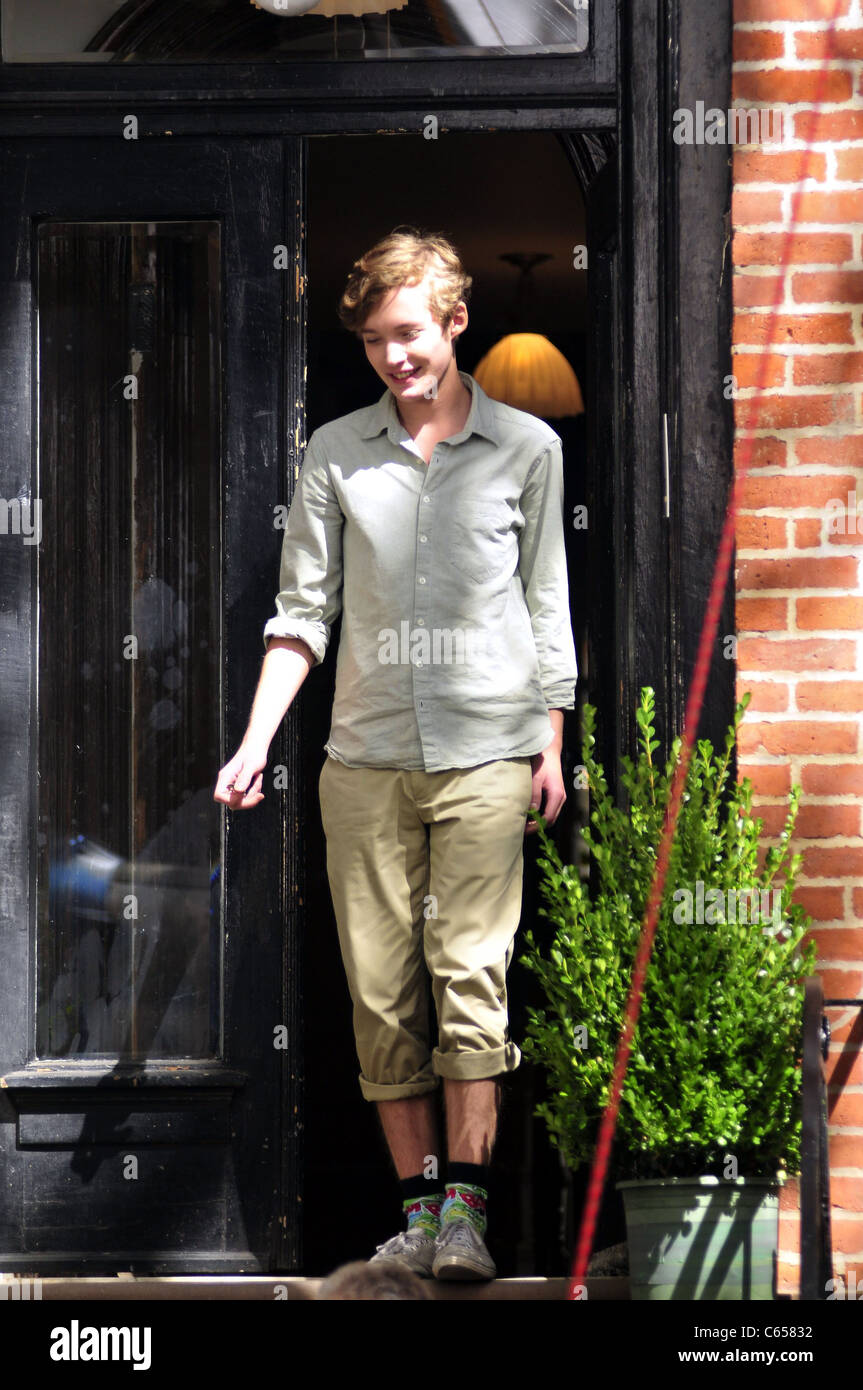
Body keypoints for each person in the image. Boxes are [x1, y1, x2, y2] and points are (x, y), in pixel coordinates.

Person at [214, 227, 577, 1281]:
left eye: (409, 333)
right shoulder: (334, 452)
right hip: (363, 761)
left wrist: (550, 740)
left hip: (486, 754)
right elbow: (301, 614)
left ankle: (464, 1217)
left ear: (456, 320)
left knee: (469, 975)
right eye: (375, 340)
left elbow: (545, 602)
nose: (394, 357)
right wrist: (254, 743)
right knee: (380, 993)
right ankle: (416, 1218)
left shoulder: (527, 450)